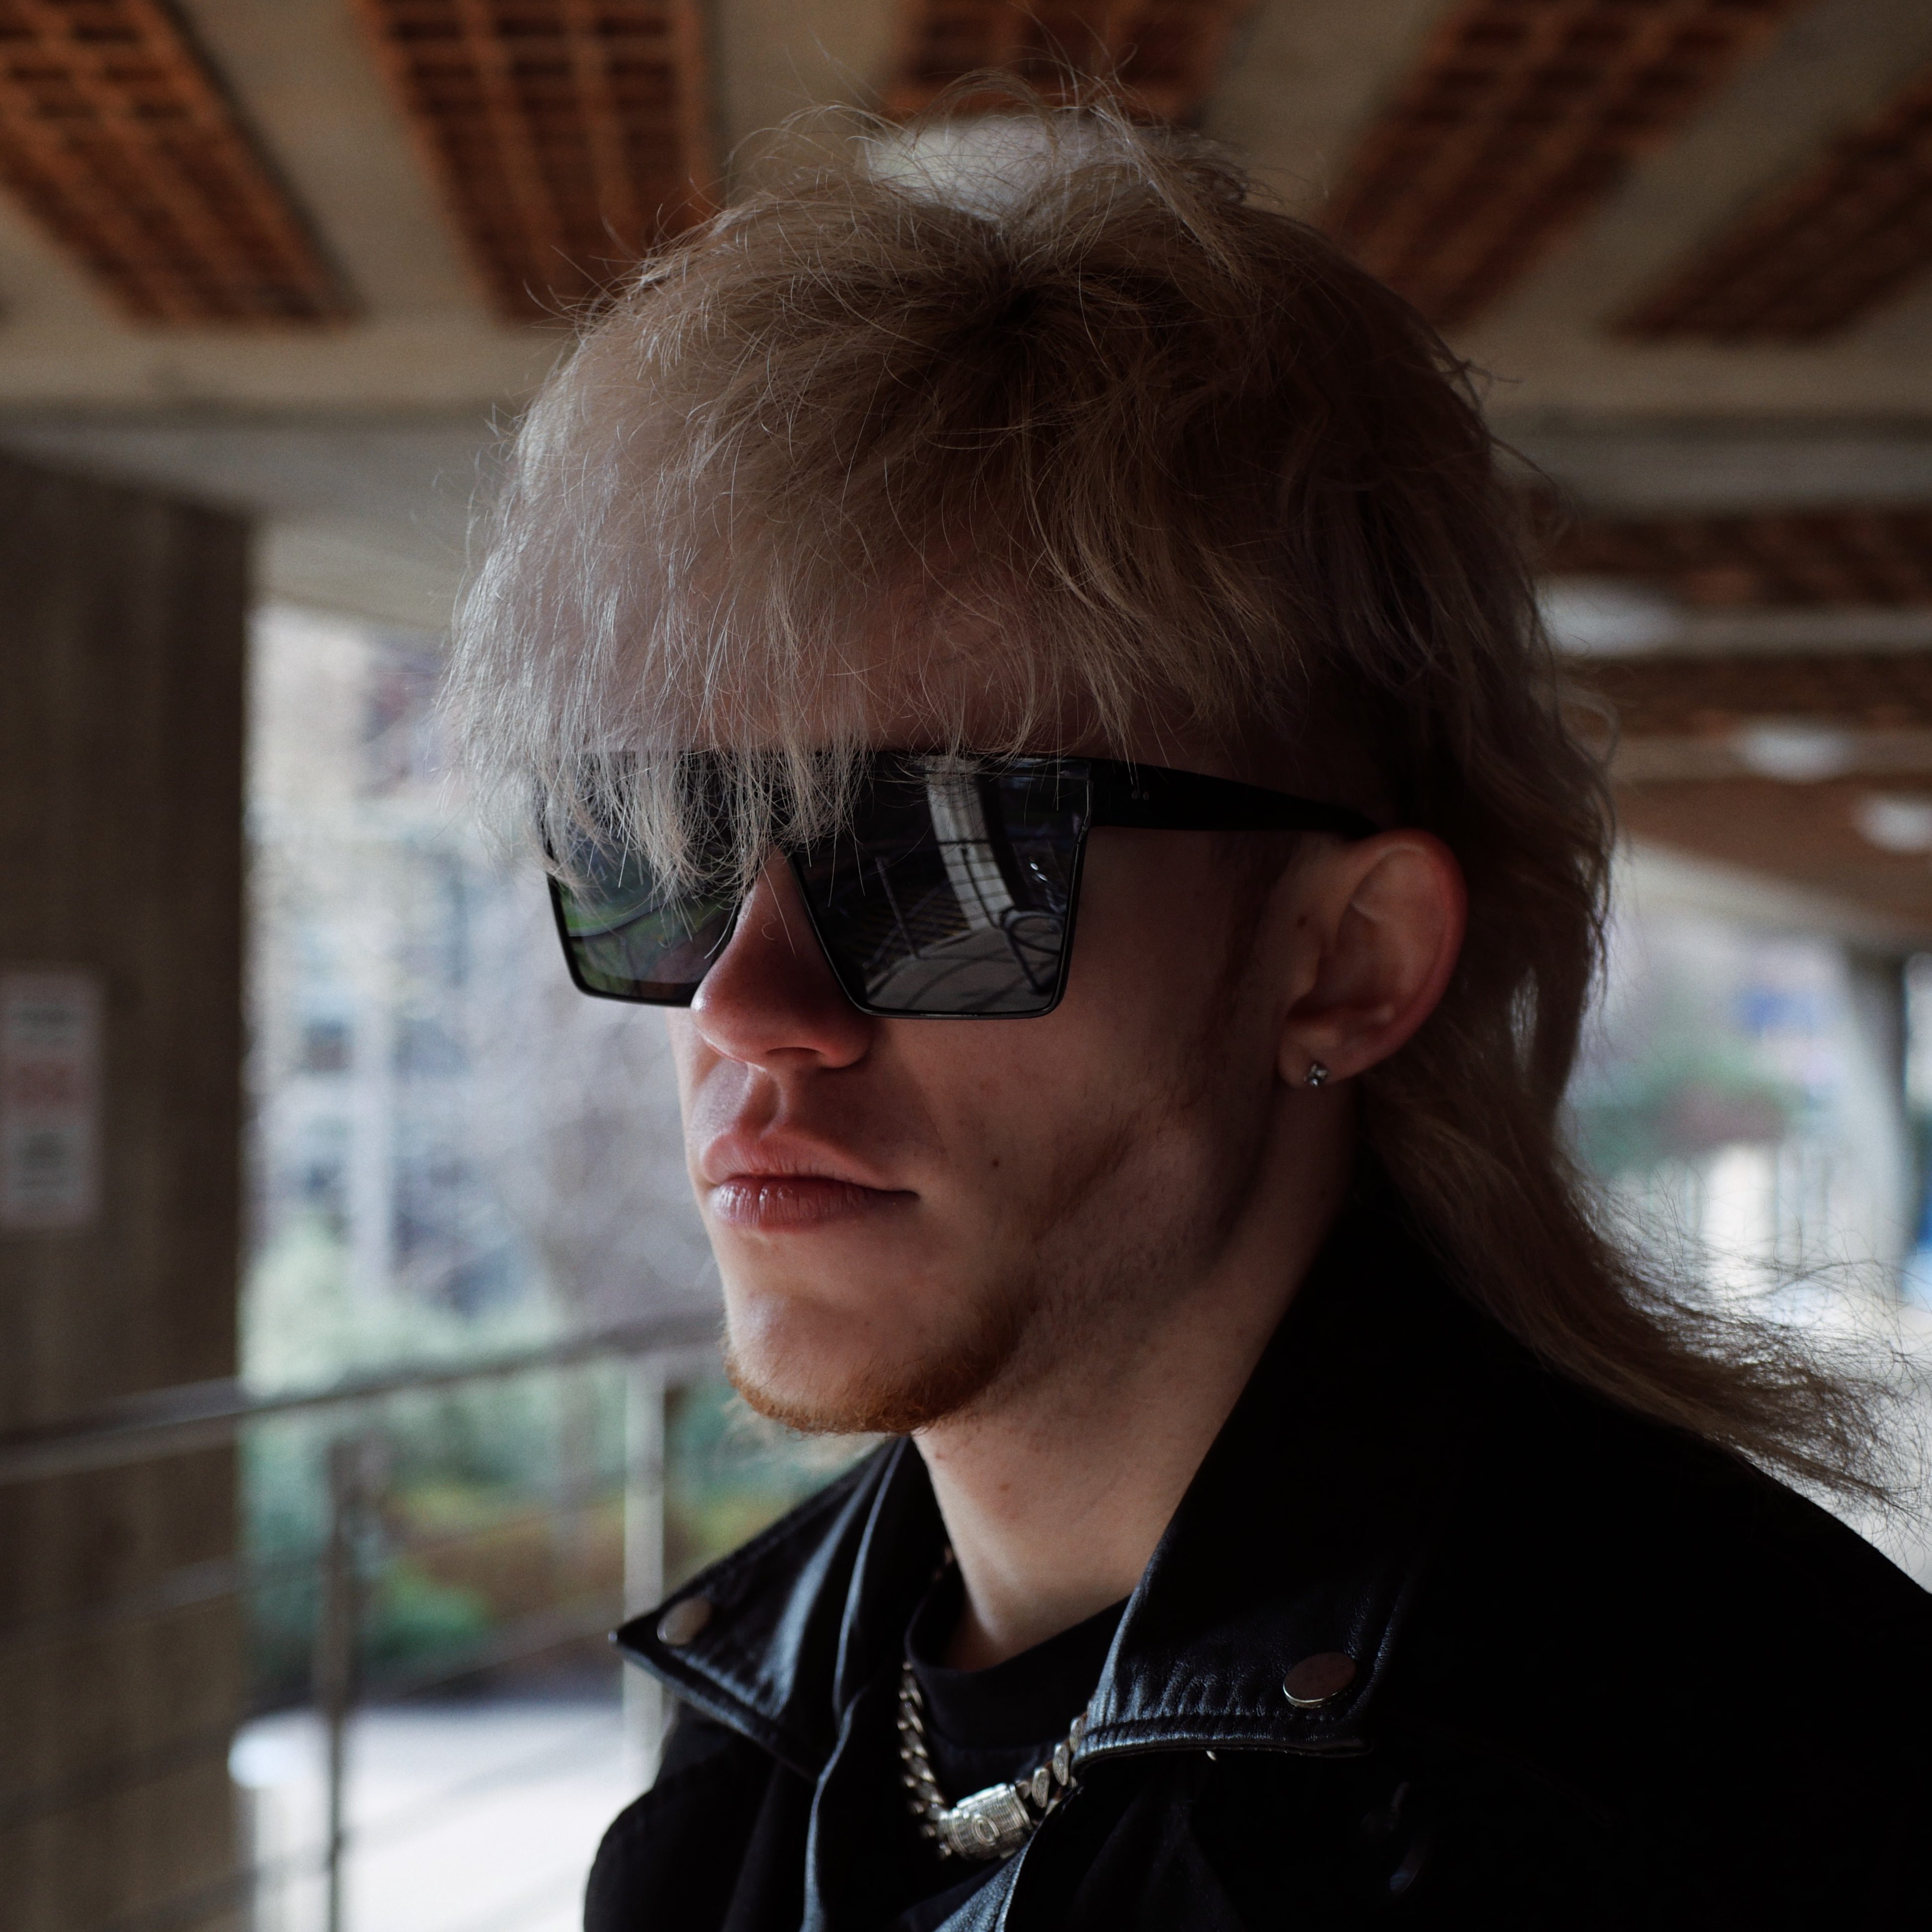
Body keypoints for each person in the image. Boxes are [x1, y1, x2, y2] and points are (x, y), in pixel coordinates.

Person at [450, 98, 1931, 1930]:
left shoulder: (1721, 1792)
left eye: (940, 860)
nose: (744, 1004)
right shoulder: (754, 1733)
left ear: (1345, 962)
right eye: (664, 851)